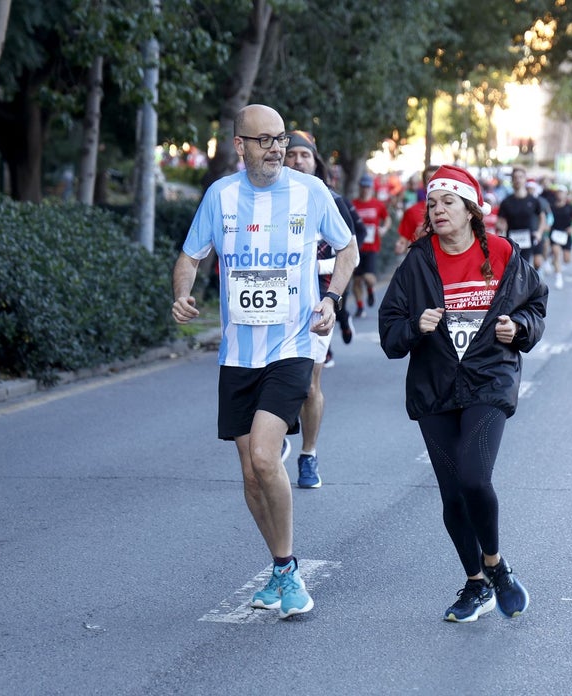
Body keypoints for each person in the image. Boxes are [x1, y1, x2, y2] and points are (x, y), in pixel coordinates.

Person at [171, 104, 358, 618]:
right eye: (265, 140)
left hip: (292, 346)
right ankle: (280, 569)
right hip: (237, 355)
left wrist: (331, 299)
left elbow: (349, 250)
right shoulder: (221, 196)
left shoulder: (310, 191)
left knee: (262, 456)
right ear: (240, 146)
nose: (276, 148)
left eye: (280, 139)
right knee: (251, 477)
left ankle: (290, 570)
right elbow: (190, 256)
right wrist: (183, 293)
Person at [379, 164, 548, 623]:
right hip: (435, 387)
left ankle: (495, 566)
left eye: (447, 202)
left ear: (471, 210)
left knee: (475, 477)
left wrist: (522, 328)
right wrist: (415, 326)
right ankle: (476, 583)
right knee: (453, 495)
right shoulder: (418, 262)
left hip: (488, 379)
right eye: (432, 203)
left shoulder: (503, 252)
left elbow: (536, 302)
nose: (438, 211)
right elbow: (389, 330)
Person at [283, 129, 363, 486]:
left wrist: (330, 294)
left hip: (315, 298)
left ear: (316, 161)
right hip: (276, 299)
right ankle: (280, 428)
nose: (297, 161)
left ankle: (309, 455)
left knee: (309, 383)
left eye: (304, 155)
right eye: (291, 155)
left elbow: (349, 254)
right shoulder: (269, 199)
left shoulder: (330, 200)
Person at [351, 173, 391, 318]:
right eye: (363, 186)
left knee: (368, 277)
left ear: (371, 188)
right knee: (356, 280)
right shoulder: (353, 204)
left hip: (372, 247)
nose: (365, 189)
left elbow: (387, 219)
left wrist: (384, 229)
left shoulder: (377, 204)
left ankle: (370, 289)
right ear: (360, 187)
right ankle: (360, 307)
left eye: (368, 187)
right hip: (356, 247)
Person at [497, 167, 545, 269]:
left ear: (525, 179)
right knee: (518, 267)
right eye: (515, 177)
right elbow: (500, 221)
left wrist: (539, 232)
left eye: (520, 177)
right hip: (513, 238)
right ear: (512, 181)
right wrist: (501, 228)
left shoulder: (533, 200)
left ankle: (536, 280)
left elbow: (542, 218)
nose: (518, 180)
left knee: (536, 264)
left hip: (530, 237)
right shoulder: (506, 202)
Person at [394, 166, 436, 256]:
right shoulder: (412, 211)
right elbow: (404, 239)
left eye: (438, 178)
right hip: (421, 264)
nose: (434, 182)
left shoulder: (454, 212)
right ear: (424, 184)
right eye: (430, 179)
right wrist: (401, 246)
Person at [548, 184, 572, 288]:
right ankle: (558, 277)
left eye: (562, 192)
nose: (560, 194)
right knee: (556, 252)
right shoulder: (551, 207)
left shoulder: (570, 208)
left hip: (566, 235)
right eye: (558, 192)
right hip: (555, 233)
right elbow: (548, 219)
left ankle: (552, 259)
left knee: (567, 259)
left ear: (566, 195)